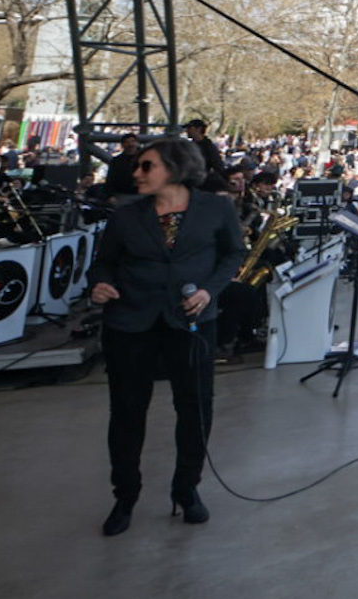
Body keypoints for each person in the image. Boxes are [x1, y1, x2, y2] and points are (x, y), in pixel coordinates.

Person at [86, 136, 244, 535]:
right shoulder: (126, 215)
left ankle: (186, 489)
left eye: (147, 166)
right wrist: (100, 284)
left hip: (192, 321)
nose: (136, 173)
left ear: (175, 169)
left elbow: (233, 254)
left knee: (195, 408)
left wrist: (209, 290)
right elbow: (104, 263)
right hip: (130, 322)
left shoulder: (216, 208)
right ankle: (125, 495)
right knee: (127, 412)